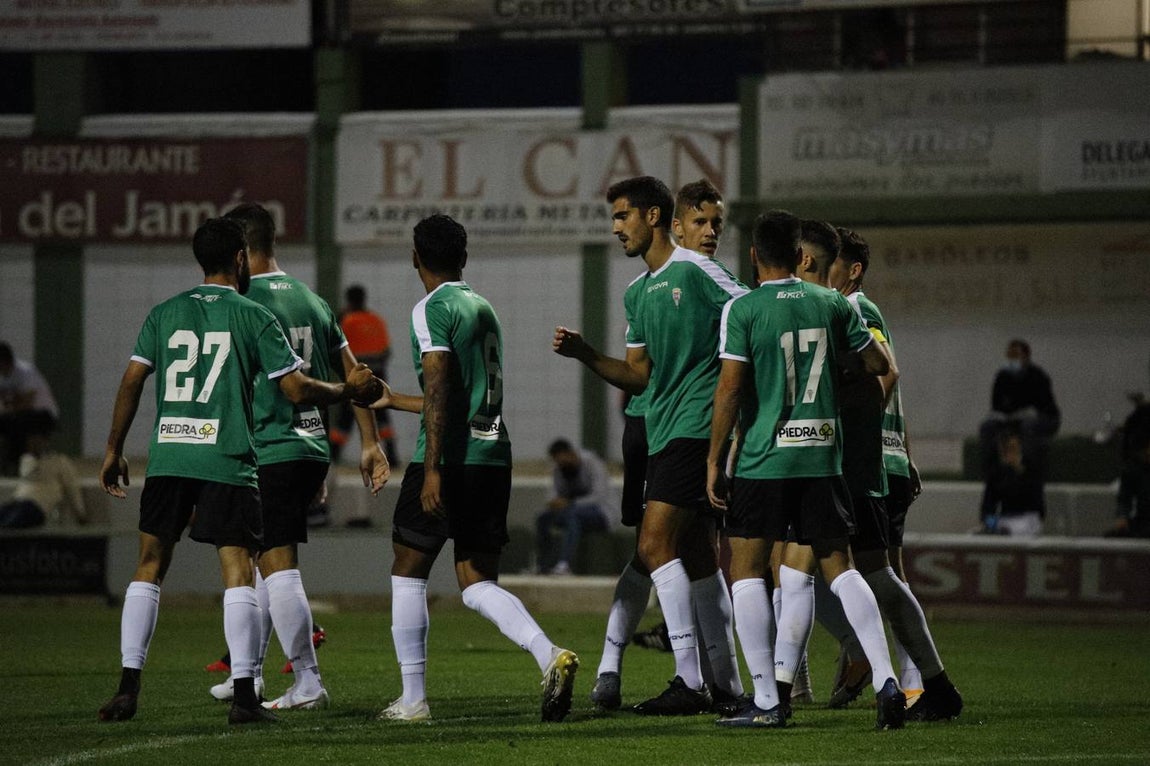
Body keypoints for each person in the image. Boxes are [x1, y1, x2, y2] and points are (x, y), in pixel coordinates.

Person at [95, 217, 381, 726]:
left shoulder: (164, 313)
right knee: (238, 572)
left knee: (149, 566)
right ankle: (247, 695)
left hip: (169, 456)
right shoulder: (254, 316)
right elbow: (295, 389)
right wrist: (344, 392)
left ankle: (127, 686)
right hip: (228, 458)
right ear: (239, 258)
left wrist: (114, 448)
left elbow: (132, 380)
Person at [367, 214, 578, 723]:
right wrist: (394, 399)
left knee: (407, 570)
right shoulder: (482, 307)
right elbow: (458, 396)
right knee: (477, 580)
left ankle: (414, 699)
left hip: (450, 459)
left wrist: (433, 468)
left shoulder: (430, 308)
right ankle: (550, 655)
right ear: (463, 258)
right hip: (491, 456)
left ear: (415, 257)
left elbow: (439, 387)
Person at [554, 176, 747, 716]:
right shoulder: (637, 292)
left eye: (622, 216)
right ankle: (726, 685)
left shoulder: (697, 269)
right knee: (695, 556)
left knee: (653, 546)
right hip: (662, 431)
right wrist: (587, 354)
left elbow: (757, 314)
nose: (616, 228)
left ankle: (688, 679)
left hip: (695, 428)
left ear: (654, 217)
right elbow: (638, 376)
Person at [706, 210, 905, 730]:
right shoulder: (832, 304)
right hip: (822, 456)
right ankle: (887, 681)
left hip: (764, 461)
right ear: (800, 256)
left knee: (745, 570)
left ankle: (769, 702)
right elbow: (880, 366)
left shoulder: (742, 309)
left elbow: (729, 388)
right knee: (841, 567)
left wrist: (713, 458)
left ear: (753, 256)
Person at [201, 203, 390, 711]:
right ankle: (251, 676)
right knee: (264, 567)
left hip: (271, 447)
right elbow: (358, 378)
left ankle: (307, 680)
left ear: (239, 252)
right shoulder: (314, 300)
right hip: (309, 447)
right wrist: (369, 444)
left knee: (277, 566)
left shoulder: (243, 302)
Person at [332, 284, 400, 470]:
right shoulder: (376, 320)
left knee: (346, 417)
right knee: (382, 416)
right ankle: (392, 456)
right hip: (378, 375)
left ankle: (333, 456)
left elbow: (339, 348)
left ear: (349, 300)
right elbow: (386, 351)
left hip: (356, 375)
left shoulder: (347, 321)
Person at [978, 339, 1060, 479]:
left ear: (1026, 357)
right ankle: (990, 472)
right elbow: (996, 405)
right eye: (1009, 355)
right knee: (987, 427)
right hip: (1011, 418)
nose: (1012, 359)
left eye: (1016, 355)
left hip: (1043, 418)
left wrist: (1028, 412)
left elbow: (1044, 406)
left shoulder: (1038, 376)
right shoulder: (1002, 377)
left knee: (1028, 427)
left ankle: (1028, 471)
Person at [535, 439, 612, 575]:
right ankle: (543, 566)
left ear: (571, 454)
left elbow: (599, 496)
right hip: (569, 512)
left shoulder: (592, 463)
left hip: (601, 512)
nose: (561, 465)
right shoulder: (559, 469)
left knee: (572, 515)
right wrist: (554, 502)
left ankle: (564, 564)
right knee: (543, 518)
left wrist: (569, 503)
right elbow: (553, 494)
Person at [0, 427, 86, 529]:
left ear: (45, 441)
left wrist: (81, 515)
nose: (33, 444)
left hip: (36, 506)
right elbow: (31, 474)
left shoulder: (60, 462)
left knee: (10, 524)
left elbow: (72, 489)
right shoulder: (26, 460)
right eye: (30, 441)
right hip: (18, 501)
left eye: (37, 441)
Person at [0, 342, 59, 476]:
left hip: (43, 414)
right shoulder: (3, 377)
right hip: (21, 414)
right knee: (8, 422)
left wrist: (8, 408)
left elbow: (27, 402)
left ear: (4, 362)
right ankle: (7, 462)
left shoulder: (25, 371)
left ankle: (17, 463)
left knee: (16, 423)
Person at [980, 429, 1045, 536]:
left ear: (1019, 447)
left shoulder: (1031, 469)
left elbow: (1038, 506)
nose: (1008, 454)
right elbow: (987, 508)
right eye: (1005, 450)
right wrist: (991, 524)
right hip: (1005, 519)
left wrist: (1018, 471)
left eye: (1012, 449)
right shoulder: (997, 472)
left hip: (1028, 519)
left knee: (1016, 530)